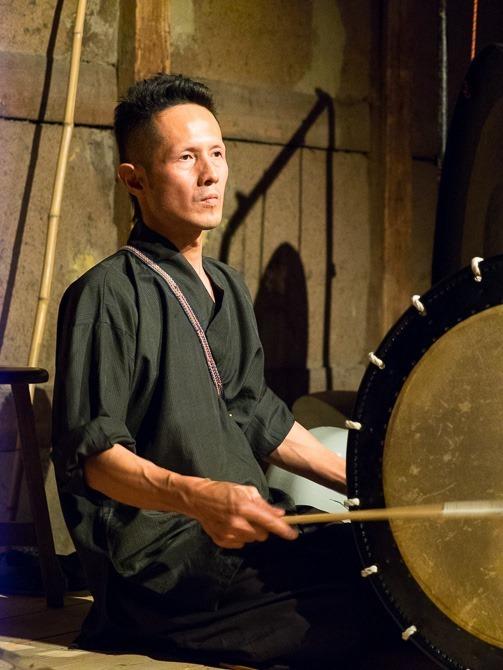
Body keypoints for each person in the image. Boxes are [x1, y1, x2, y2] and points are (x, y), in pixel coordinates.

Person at [52, 74, 434, 669]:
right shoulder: (106, 293)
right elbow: (96, 460)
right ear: (135, 180)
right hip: (166, 563)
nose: (210, 174)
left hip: (249, 535)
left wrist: (372, 483)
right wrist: (200, 497)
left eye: (218, 153)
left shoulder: (226, 285)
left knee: (394, 565)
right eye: (186, 158)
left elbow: (257, 414)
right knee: (384, 610)